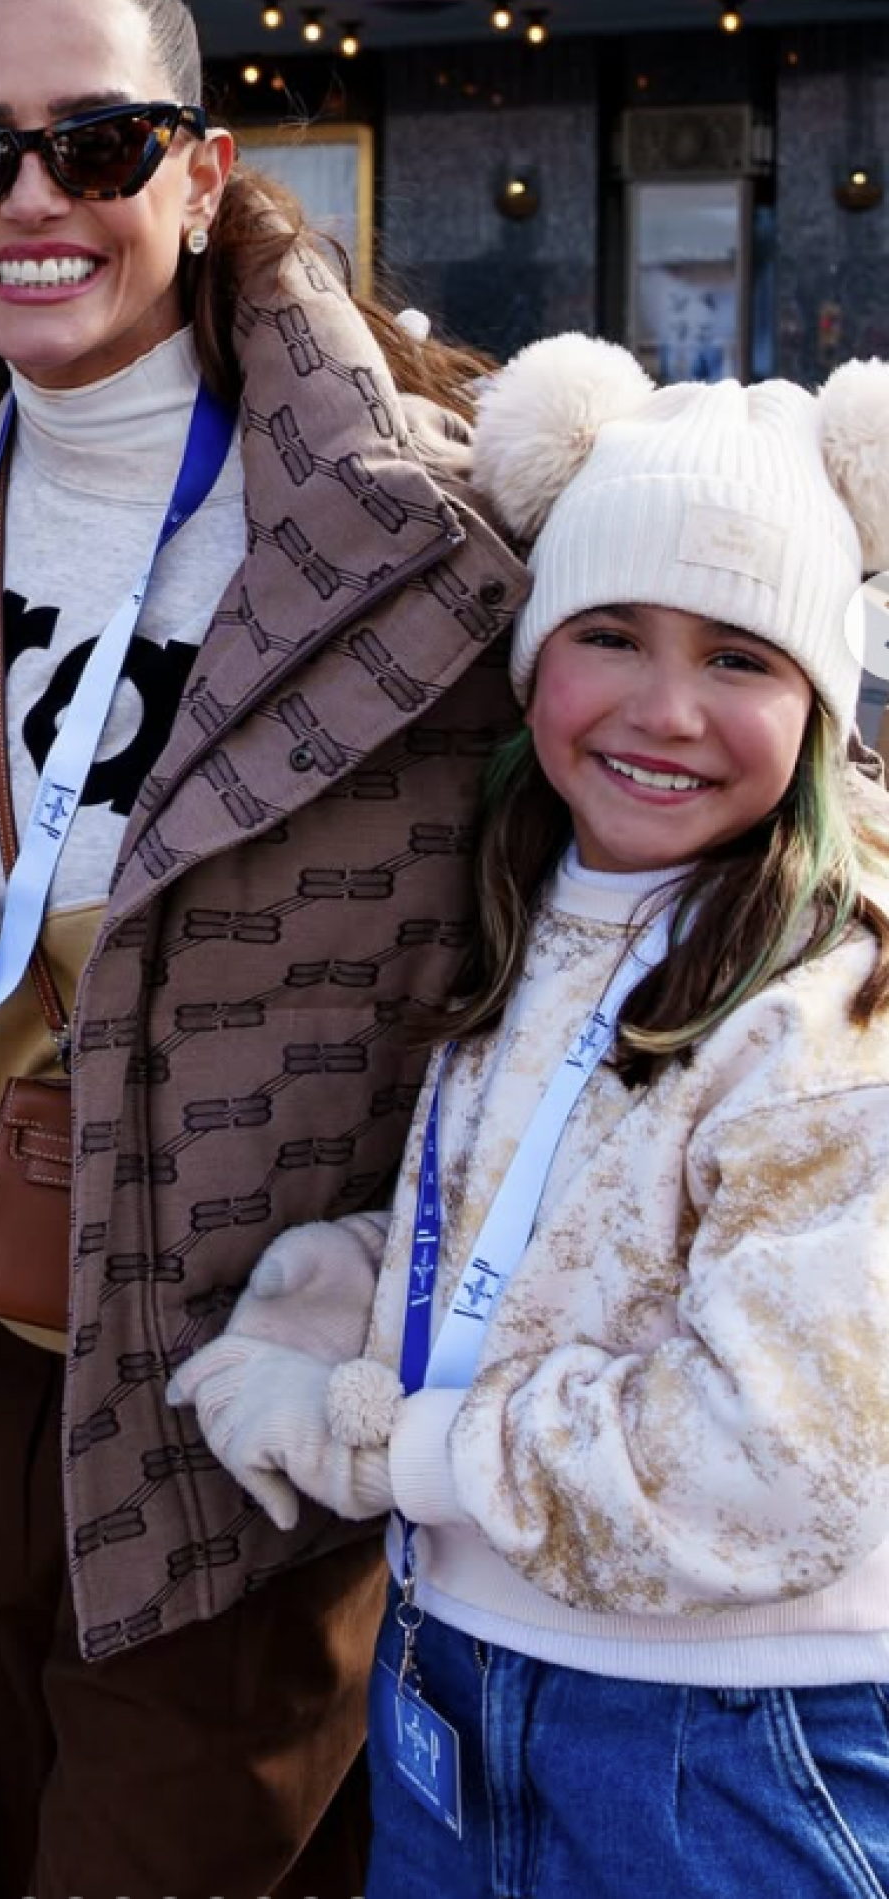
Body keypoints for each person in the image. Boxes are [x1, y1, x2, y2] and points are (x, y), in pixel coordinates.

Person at [0, 0, 532, 1899]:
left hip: (234, 1395)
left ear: (203, 165)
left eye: (96, 141)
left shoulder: (411, 542)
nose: (30, 203)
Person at [170, 331, 889, 1897]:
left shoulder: (841, 1009)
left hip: (726, 1740)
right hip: (460, 1674)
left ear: (824, 698)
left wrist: (395, 1442)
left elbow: (767, 1467)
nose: (666, 706)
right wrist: (343, 1292)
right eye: (613, 632)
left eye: (742, 656)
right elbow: (553, 1229)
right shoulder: (542, 899)